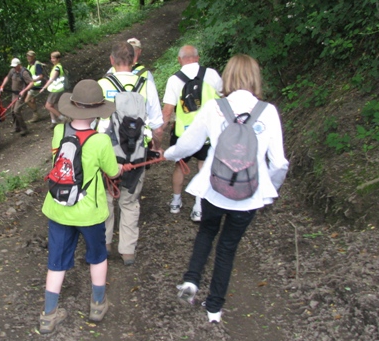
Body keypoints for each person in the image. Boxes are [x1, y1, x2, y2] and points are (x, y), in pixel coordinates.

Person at [164, 54, 289, 323]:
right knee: (228, 248)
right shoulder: (268, 112)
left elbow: (189, 145)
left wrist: (168, 154)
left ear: (228, 77)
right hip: (249, 194)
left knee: (206, 232)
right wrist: (268, 190)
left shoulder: (214, 108)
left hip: (215, 188)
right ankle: (214, 309)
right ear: (256, 78)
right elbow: (279, 163)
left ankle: (192, 281)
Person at [39, 80, 121, 334]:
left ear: (73, 107)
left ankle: (48, 315)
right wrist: (120, 168)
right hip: (89, 212)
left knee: (57, 261)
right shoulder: (100, 141)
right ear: (97, 111)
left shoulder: (58, 132)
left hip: (59, 207)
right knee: (97, 256)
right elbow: (112, 171)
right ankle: (97, 305)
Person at [98, 41, 164, 265]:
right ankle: (127, 251)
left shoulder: (101, 84)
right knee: (129, 201)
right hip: (136, 153)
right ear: (135, 59)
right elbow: (157, 124)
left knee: (106, 198)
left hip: (106, 152)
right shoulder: (146, 84)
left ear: (111, 60)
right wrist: (155, 146)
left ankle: (104, 244)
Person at [161, 45, 222, 222]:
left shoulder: (174, 79)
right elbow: (224, 98)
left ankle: (175, 201)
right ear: (198, 57)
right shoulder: (211, 74)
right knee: (204, 166)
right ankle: (199, 206)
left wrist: (159, 133)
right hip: (208, 133)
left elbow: (167, 111)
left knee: (180, 166)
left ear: (179, 60)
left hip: (183, 134)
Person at [0, 58, 33, 137]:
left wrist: (24, 91)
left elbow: (31, 83)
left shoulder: (24, 73)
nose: (14, 68)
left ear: (19, 65)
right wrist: (2, 86)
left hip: (21, 94)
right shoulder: (12, 71)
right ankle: (16, 127)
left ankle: (24, 128)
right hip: (14, 94)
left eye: (15, 66)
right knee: (12, 111)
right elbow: (7, 77)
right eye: (13, 66)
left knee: (16, 110)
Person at [40, 51, 66, 128]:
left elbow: (51, 79)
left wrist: (44, 87)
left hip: (56, 89)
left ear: (58, 59)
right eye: (51, 58)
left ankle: (63, 118)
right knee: (51, 105)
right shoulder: (56, 66)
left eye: (54, 58)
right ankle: (53, 121)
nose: (52, 60)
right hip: (54, 89)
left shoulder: (57, 68)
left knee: (48, 106)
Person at [24, 50, 45, 123]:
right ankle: (35, 116)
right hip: (32, 85)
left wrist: (33, 80)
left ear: (33, 57)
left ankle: (36, 114)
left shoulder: (37, 65)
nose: (28, 57)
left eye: (30, 56)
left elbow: (41, 76)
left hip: (36, 86)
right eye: (27, 56)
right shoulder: (29, 65)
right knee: (32, 101)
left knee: (27, 100)